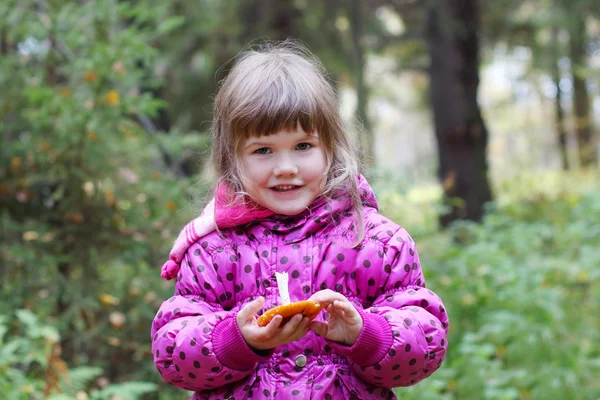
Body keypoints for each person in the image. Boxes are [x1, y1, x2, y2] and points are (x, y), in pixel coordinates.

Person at [151, 41, 449, 400]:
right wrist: (237, 339)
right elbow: (172, 354)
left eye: (303, 146)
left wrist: (365, 334)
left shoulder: (375, 242)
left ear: (331, 148)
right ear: (232, 159)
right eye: (263, 150)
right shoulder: (214, 251)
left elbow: (426, 347)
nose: (286, 167)